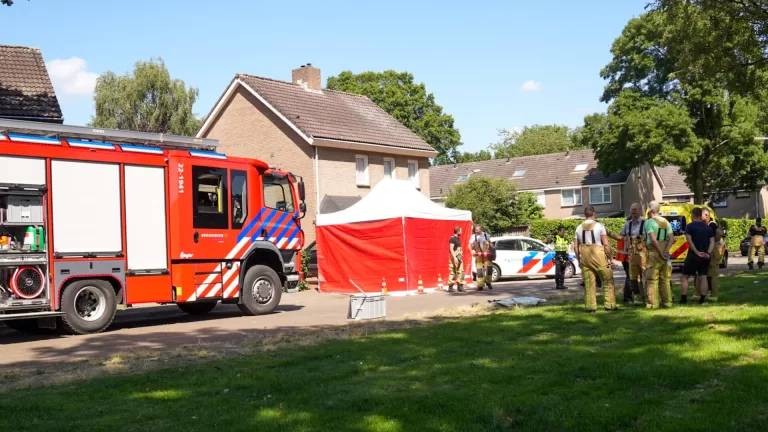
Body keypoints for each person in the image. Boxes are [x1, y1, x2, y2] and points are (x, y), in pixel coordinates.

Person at [574, 206, 617, 312]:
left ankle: (590, 307)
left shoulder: (579, 227)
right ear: (594, 213)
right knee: (608, 279)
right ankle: (610, 305)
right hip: (598, 256)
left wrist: (579, 261)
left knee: (589, 283)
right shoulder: (600, 226)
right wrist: (611, 259)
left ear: (585, 214)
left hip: (585, 257)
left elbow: (575, 246)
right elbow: (606, 244)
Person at [609, 204, 646, 305]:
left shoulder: (646, 223)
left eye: (635, 209)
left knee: (647, 276)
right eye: (631, 209)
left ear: (639, 210)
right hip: (632, 256)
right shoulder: (627, 224)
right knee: (633, 278)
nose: (633, 211)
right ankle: (638, 298)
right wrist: (609, 234)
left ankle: (649, 297)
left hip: (643, 255)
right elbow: (620, 237)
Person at [644, 201, 675, 309]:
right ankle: (667, 302)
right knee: (665, 279)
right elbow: (671, 237)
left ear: (651, 210)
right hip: (665, 251)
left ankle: (653, 303)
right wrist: (666, 250)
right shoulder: (666, 222)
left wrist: (660, 252)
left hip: (653, 252)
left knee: (652, 279)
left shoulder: (649, 222)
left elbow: (653, 239)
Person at [680, 207, 714, 304]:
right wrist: (708, 253)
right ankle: (702, 300)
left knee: (685, 277)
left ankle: (683, 300)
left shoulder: (689, 227)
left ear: (692, 215)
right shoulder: (708, 228)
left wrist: (697, 252)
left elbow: (689, 241)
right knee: (703, 277)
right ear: (701, 215)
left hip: (693, 255)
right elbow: (712, 241)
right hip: (705, 256)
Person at [695, 209, 722, 302]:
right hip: (703, 250)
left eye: (701, 215)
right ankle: (698, 294)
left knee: (713, 274)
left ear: (706, 215)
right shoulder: (703, 225)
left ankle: (714, 294)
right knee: (701, 272)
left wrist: (712, 240)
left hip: (712, 252)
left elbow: (719, 233)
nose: (700, 217)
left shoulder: (712, 224)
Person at [470, 224, 493, 290]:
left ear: (480, 229)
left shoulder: (486, 235)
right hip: (478, 255)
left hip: (487, 255)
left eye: (477, 230)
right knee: (479, 270)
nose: (476, 231)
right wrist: (471, 250)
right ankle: (480, 285)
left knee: (489, 269)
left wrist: (492, 249)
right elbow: (469, 244)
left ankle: (488, 282)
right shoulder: (473, 236)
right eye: (475, 230)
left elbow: (490, 243)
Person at [448, 226, 465, 292]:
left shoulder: (458, 238)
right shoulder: (452, 239)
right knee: (453, 272)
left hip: (459, 258)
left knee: (461, 272)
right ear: (457, 231)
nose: (461, 232)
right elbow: (451, 248)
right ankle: (450, 287)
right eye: (461, 231)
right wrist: (454, 257)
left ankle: (460, 286)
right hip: (454, 258)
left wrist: (460, 254)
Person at [553, 225, 570, 290]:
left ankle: (562, 284)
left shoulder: (565, 238)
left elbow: (567, 246)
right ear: (559, 231)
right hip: (558, 255)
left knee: (563, 270)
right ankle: (558, 284)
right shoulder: (555, 237)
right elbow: (548, 240)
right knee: (558, 271)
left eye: (564, 231)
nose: (563, 232)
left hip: (564, 255)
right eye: (562, 231)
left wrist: (567, 254)